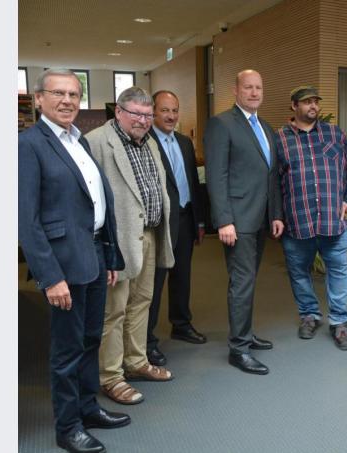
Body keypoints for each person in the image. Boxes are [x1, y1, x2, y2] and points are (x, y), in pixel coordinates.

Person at [19, 68, 130, 453]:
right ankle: (67, 427)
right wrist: (50, 277)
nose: (67, 101)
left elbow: (95, 201)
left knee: (90, 338)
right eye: (58, 93)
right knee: (67, 349)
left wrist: (109, 255)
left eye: (73, 94)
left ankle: (87, 408)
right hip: (63, 263)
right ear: (39, 99)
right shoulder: (28, 145)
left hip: (94, 255)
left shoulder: (77, 140)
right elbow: (27, 220)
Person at [86, 87, 175, 405]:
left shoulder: (149, 142)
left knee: (141, 302)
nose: (143, 120)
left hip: (149, 234)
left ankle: (136, 361)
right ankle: (110, 376)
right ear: (119, 112)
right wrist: (102, 245)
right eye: (136, 114)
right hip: (118, 241)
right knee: (114, 311)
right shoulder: (97, 142)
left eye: (148, 115)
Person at [204, 69, 284, 375]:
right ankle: (238, 349)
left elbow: (271, 175)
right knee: (241, 283)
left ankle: (246, 335)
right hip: (237, 221)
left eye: (258, 88)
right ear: (236, 91)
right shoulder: (222, 124)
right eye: (248, 87)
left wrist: (275, 214)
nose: (254, 93)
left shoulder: (265, 127)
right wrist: (224, 220)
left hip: (260, 218)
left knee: (248, 281)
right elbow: (216, 175)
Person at [275, 86, 347, 351]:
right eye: (306, 102)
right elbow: (272, 181)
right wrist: (277, 216)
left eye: (315, 101)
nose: (313, 106)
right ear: (294, 106)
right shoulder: (280, 139)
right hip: (297, 221)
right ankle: (309, 315)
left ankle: (339, 322)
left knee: (339, 271)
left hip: (333, 221)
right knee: (299, 273)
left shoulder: (334, 134)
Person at [146, 90, 208, 367]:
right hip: (159, 224)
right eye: (165, 110)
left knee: (182, 276)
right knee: (154, 282)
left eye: (174, 110)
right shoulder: (144, 141)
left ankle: (181, 324)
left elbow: (193, 183)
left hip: (184, 218)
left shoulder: (184, 142)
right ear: (153, 112)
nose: (171, 116)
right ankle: (146, 341)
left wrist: (200, 221)